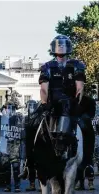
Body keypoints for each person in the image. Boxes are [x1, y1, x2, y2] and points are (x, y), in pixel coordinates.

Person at [19, 34, 86, 178]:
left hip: (71, 104)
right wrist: (45, 104)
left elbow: (79, 88)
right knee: (30, 124)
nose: (61, 49)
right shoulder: (48, 67)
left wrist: (75, 104)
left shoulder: (77, 66)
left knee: (87, 126)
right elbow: (44, 89)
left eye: (63, 46)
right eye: (59, 46)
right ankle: (29, 163)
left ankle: (87, 163)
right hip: (52, 104)